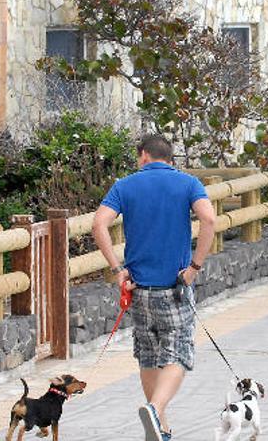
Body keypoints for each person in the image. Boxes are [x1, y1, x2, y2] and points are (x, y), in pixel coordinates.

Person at [92, 135, 216, 441]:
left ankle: (161, 426)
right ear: (168, 158)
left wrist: (117, 269)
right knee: (179, 352)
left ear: (144, 156)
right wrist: (195, 268)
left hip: (138, 289)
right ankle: (155, 408)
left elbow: (98, 224)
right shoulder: (188, 184)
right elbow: (209, 219)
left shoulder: (124, 185)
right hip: (174, 285)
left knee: (148, 354)